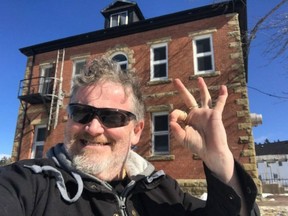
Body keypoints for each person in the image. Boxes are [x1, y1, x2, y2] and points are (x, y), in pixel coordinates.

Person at [0, 56, 259, 216]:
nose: (93, 128)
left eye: (112, 117)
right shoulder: (30, 185)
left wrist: (219, 161)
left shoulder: (160, 190)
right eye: (81, 113)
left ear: (137, 131)